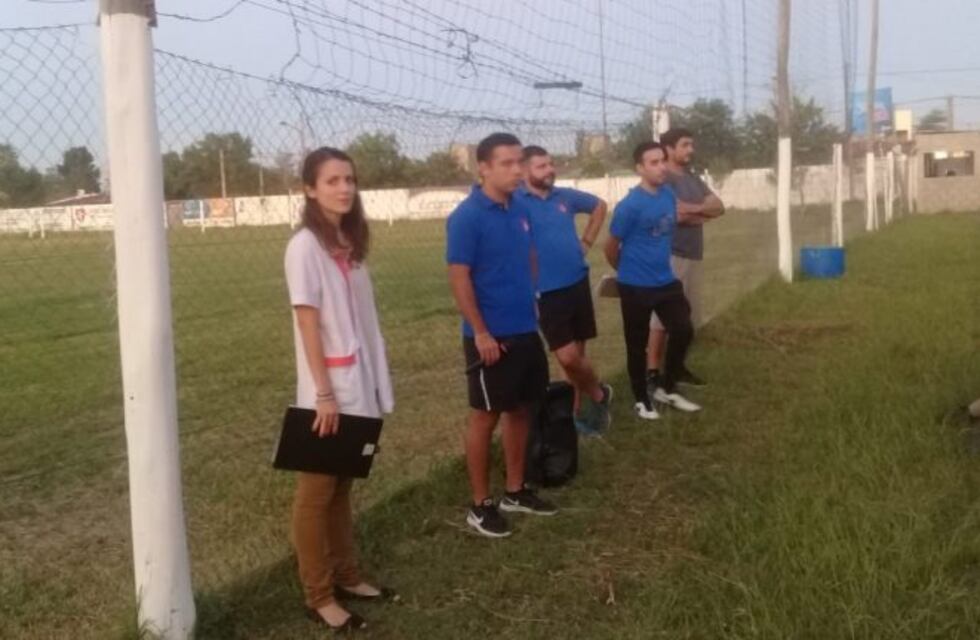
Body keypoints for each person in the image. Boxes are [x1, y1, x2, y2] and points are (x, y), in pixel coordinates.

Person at [284, 147, 397, 633]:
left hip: (359, 380)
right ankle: (319, 595)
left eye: (349, 179)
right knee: (316, 492)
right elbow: (308, 323)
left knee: (342, 487)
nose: (344, 188)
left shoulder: (347, 245)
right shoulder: (305, 246)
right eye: (331, 180)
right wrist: (324, 394)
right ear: (310, 189)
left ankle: (347, 574)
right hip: (328, 390)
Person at [446, 132, 558, 539]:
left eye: (519, 163)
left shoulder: (519, 208)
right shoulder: (467, 216)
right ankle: (480, 504)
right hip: (491, 337)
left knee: (522, 409)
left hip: (524, 329)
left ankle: (515, 489)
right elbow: (459, 277)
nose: (517, 170)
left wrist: (531, 305)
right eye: (507, 164)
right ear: (485, 168)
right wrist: (480, 331)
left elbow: (528, 257)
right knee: (485, 416)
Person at [517, 145, 612, 435]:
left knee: (576, 357)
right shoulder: (516, 201)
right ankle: (600, 394)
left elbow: (599, 206)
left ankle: (572, 420)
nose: (549, 170)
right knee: (567, 357)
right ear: (523, 171)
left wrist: (585, 242)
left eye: (550, 164)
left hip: (576, 282)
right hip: (545, 290)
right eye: (541, 166)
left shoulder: (564, 196)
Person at [605, 141, 702, 420]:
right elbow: (611, 247)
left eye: (662, 161)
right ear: (640, 168)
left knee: (683, 329)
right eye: (653, 163)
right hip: (635, 286)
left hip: (665, 281)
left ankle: (666, 388)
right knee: (637, 345)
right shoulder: (629, 205)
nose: (661, 167)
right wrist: (626, 273)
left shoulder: (668, 195)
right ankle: (641, 399)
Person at [646, 127, 725, 387]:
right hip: (670, 254)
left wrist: (694, 210)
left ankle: (677, 367)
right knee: (662, 319)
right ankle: (653, 372)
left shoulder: (691, 178)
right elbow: (673, 215)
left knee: (687, 316)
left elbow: (719, 207)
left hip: (693, 253)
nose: (690, 149)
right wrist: (702, 213)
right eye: (685, 145)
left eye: (691, 144)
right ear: (669, 148)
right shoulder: (664, 178)